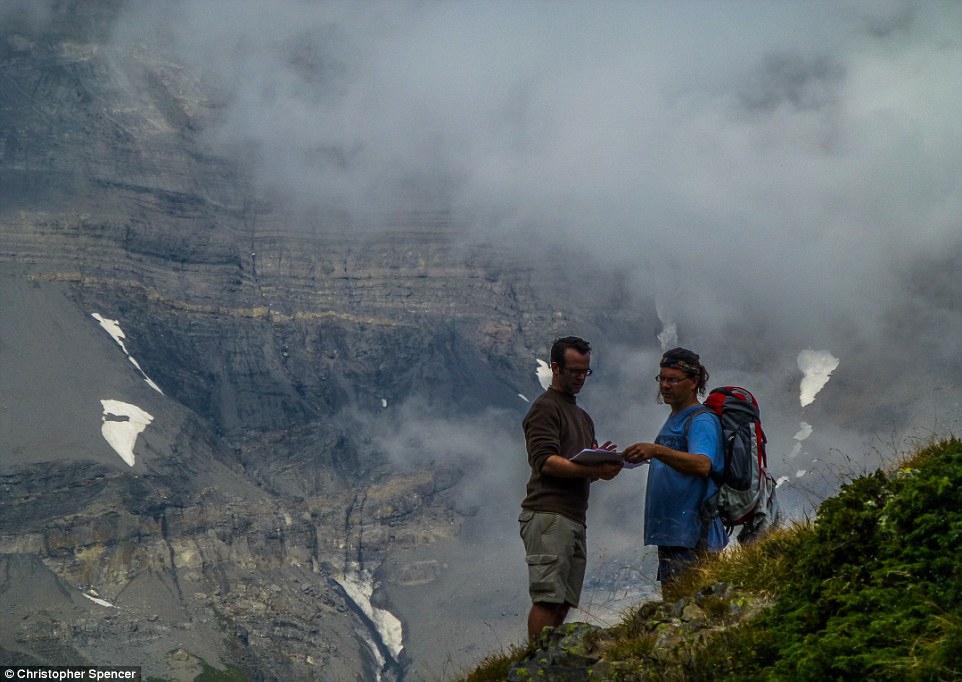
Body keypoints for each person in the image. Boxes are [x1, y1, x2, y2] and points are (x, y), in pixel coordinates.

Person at [519, 336, 623, 640]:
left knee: (563, 601)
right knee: (547, 597)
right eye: (574, 371)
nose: (580, 378)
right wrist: (593, 468)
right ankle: (535, 666)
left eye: (585, 372)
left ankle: (548, 660)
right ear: (555, 368)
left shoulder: (582, 417)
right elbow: (546, 462)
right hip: (548, 514)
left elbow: (577, 471)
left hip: (574, 516)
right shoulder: (544, 409)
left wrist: (600, 469)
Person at [622, 347, 727, 586]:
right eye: (662, 379)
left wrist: (657, 450)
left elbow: (703, 464)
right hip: (673, 536)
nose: (665, 386)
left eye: (673, 380)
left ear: (693, 382)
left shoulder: (701, 420)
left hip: (693, 538)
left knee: (692, 610)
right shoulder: (675, 419)